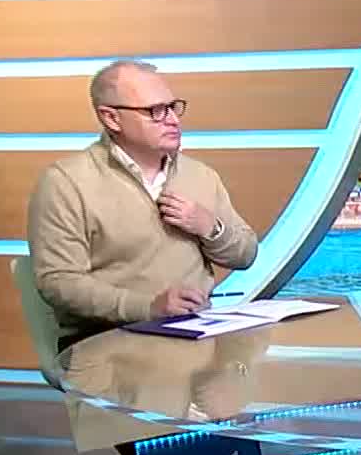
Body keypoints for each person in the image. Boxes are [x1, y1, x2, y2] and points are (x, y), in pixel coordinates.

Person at [27, 59, 259, 351]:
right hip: (106, 340)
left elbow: (246, 255)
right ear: (111, 118)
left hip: (195, 334)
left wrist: (211, 228)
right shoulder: (66, 181)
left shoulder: (200, 176)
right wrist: (147, 307)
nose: (173, 120)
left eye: (173, 107)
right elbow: (59, 282)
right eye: (156, 111)